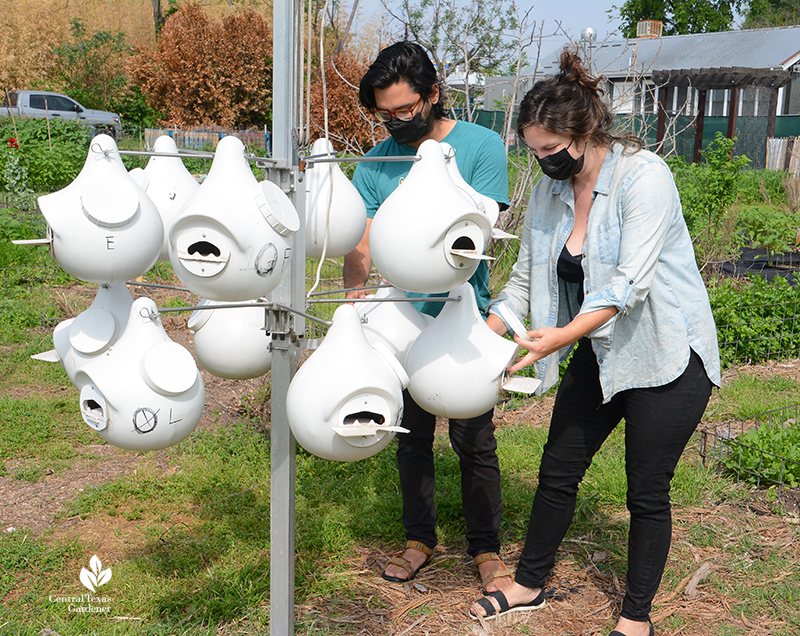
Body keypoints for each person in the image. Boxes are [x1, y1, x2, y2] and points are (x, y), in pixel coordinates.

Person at [469, 49, 720, 636]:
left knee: (646, 490)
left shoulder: (644, 176)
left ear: (584, 134)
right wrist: (483, 341)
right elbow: (525, 282)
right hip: (600, 349)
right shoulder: (550, 193)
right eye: (533, 151)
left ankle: (635, 618)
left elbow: (626, 284)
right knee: (558, 468)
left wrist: (559, 337)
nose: (542, 161)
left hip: (666, 354)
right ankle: (530, 583)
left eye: (551, 151)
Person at [343, 41, 512, 592]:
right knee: (409, 436)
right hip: (397, 320)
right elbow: (360, 244)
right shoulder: (375, 162)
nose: (394, 122)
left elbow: (477, 232)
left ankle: (485, 549)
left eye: (405, 110)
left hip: (464, 319)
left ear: (433, 94)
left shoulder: (481, 146)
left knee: (473, 438)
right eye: (384, 113)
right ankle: (420, 540)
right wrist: (354, 304)